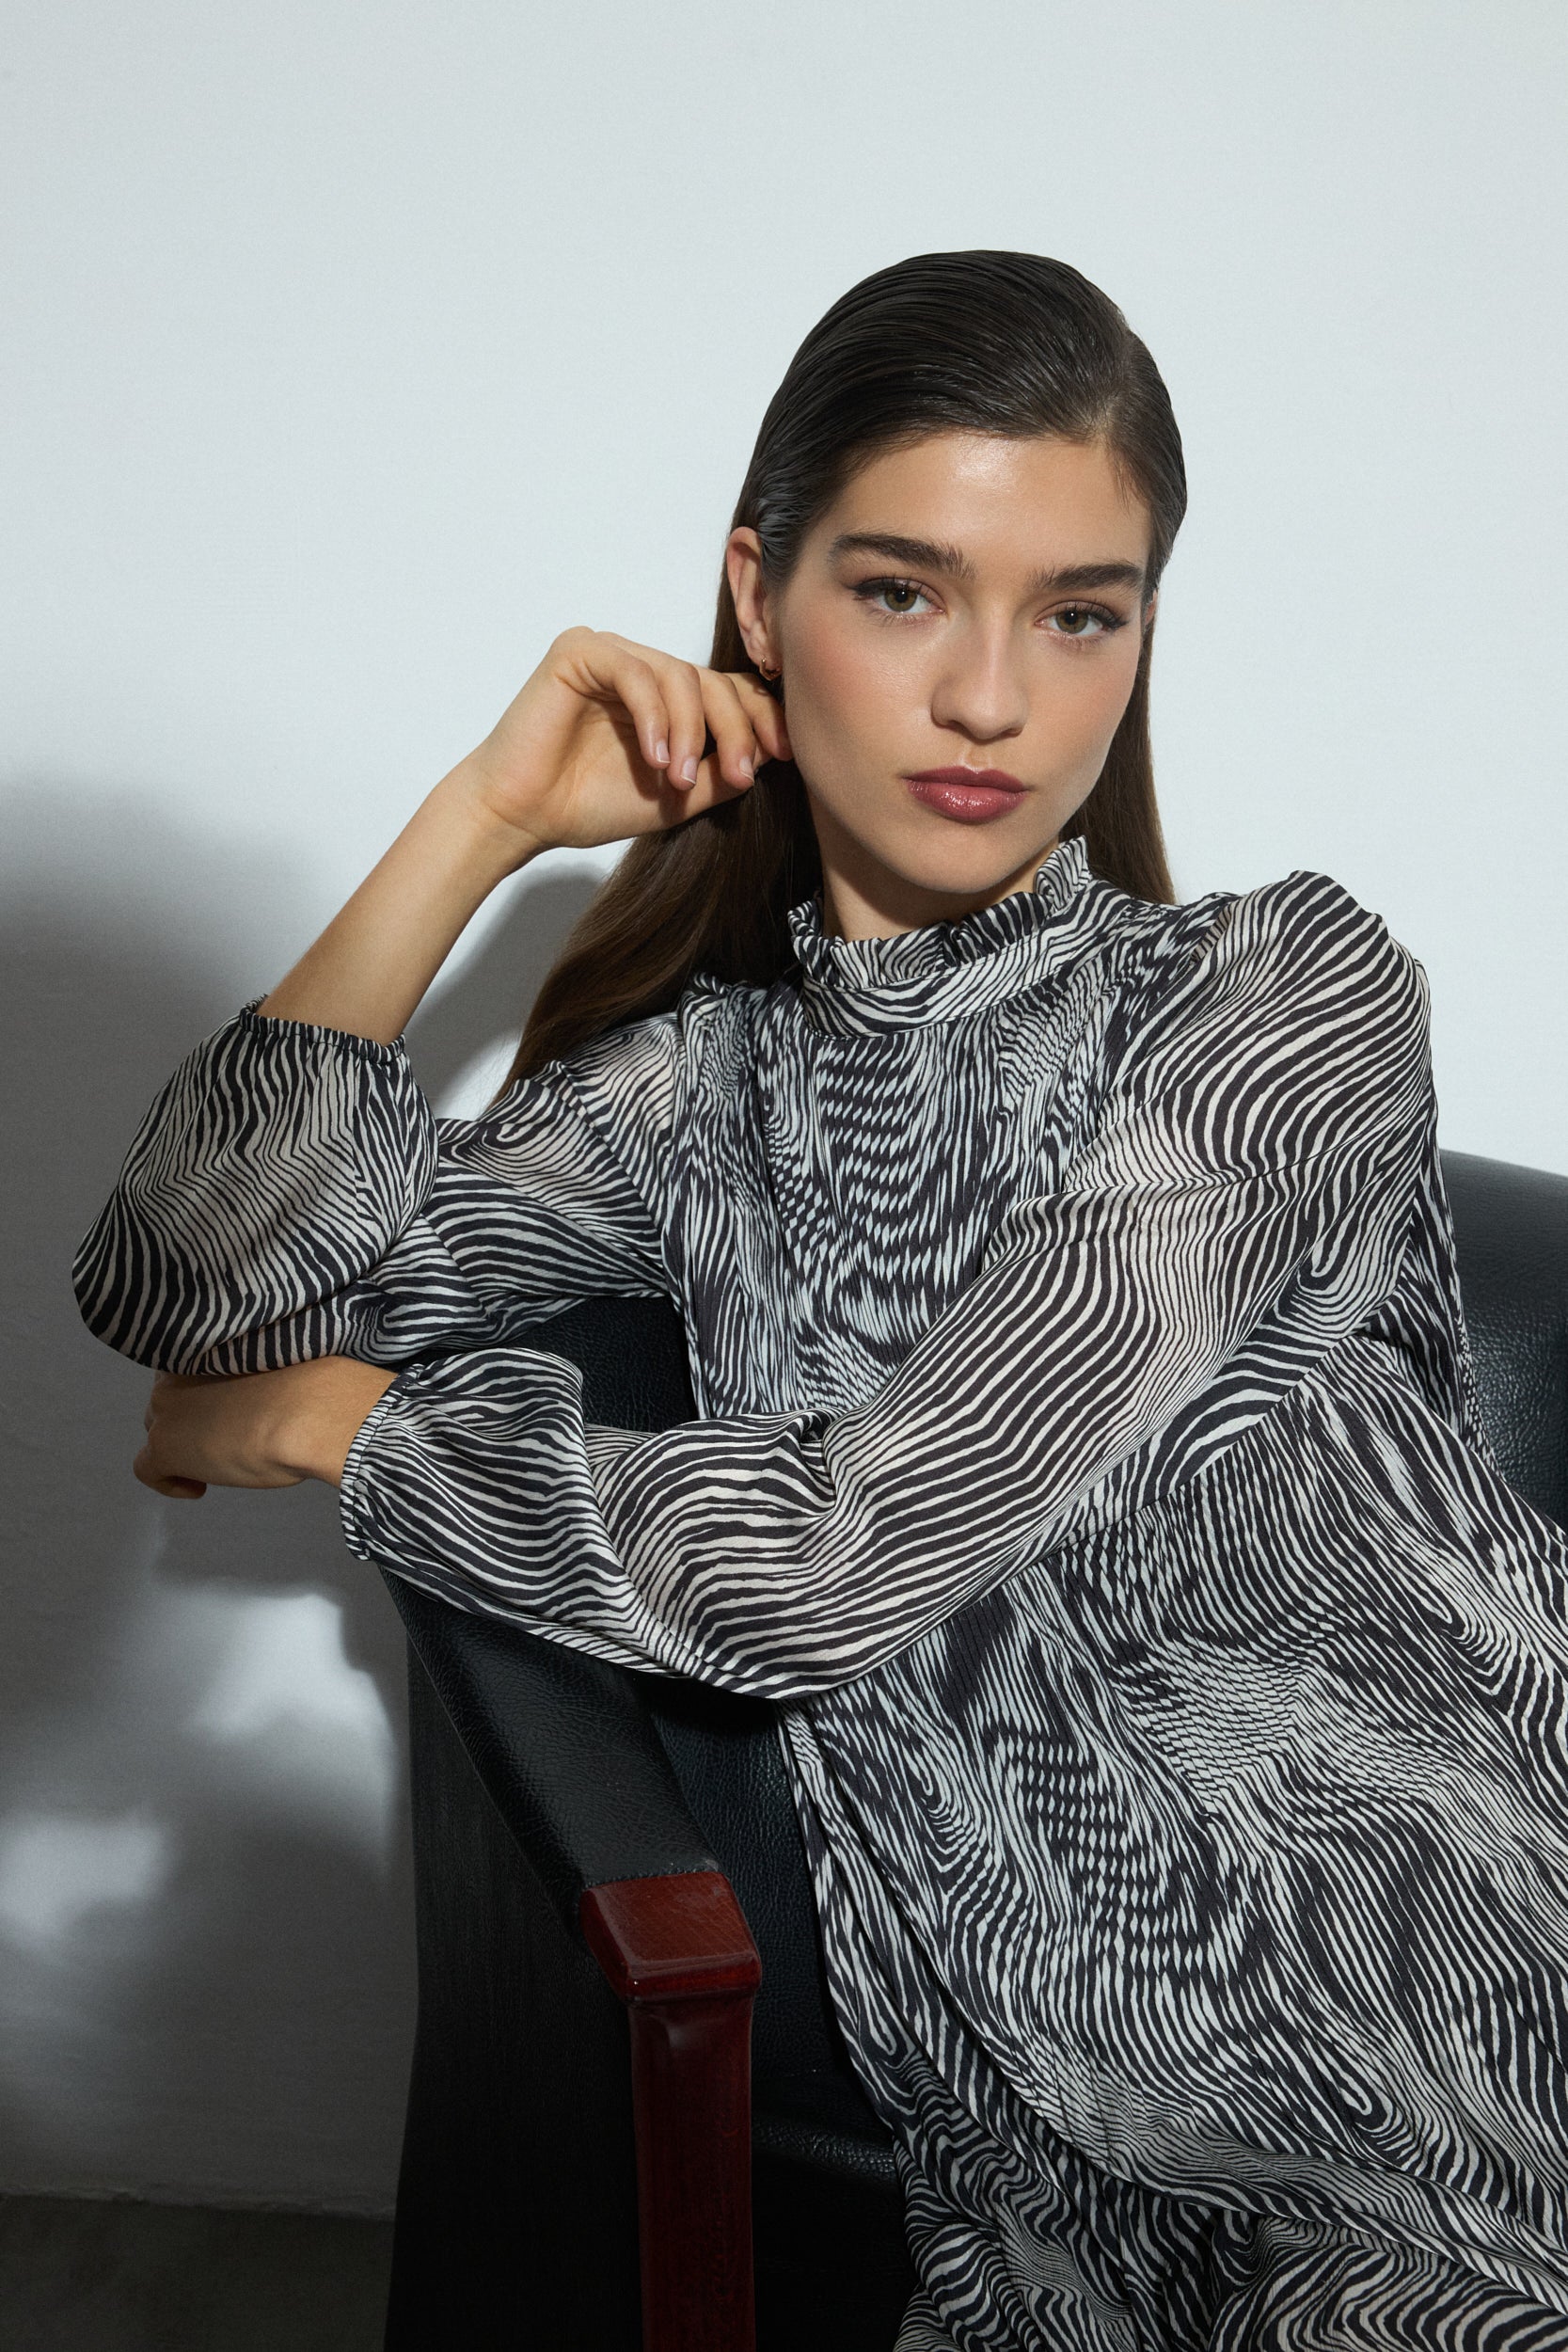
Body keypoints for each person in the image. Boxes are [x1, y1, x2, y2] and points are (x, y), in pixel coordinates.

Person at [75, 252, 1568, 2350]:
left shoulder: (1278, 992)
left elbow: (848, 1549)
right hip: (1056, 2029)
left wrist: (352, 1428)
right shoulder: (688, 1101)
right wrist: (477, 822)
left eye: (1082, 610)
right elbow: (178, 1283)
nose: (994, 697)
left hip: (1473, 1919)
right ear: (756, 596)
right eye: (901, 590)